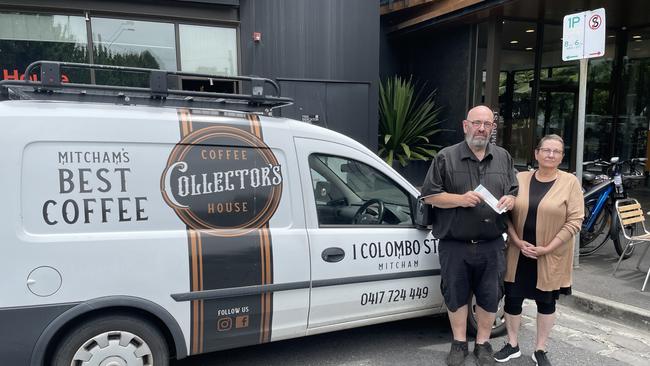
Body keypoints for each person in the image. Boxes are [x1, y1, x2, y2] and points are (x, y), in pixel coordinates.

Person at [421, 105, 518, 366]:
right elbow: (430, 196)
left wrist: (511, 199)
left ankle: (483, 344)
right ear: (466, 125)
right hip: (455, 244)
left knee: (489, 296)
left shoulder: (503, 157)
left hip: (492, 244)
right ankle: (459, 343)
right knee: (455, 295)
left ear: (492, 127)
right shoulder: (445, 157)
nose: (482, 128)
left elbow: (514, 190)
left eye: (487, 124)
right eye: (477, 123)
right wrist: (459, 199)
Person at [493, 134, 584, 366]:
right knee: (513, 299)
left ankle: (540, 349)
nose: (551, 154)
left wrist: (546, 248)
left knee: (546, 302)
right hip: (518, 252)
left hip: (550, 254)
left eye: (556, 151)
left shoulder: (570, 183)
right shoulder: (519, 178)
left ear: (562, 156)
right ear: (536, 153)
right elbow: (506, 213)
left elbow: (575, 221)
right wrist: (516, 241)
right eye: (546, 150)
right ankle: (512, 344)